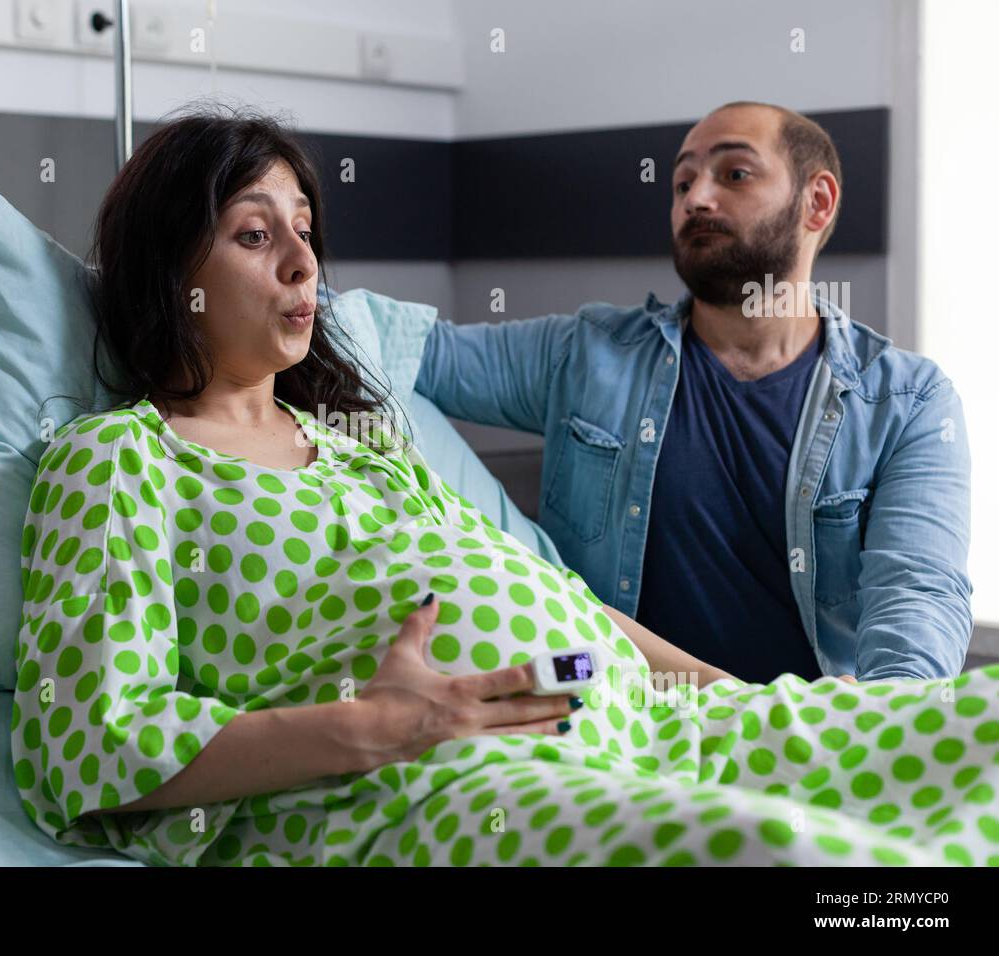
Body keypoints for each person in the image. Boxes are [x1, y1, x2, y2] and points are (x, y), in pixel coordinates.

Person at [10, 105, 998, 867]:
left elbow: (575, 608)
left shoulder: (359, 443)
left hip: (650, 724)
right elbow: (87, 740)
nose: (305, 260)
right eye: (255, 234)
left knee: (974, 724)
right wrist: (369, 728)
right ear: (168, 265)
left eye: (306, 229)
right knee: (807, 861)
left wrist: (757, 706)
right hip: (431, 781)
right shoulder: (118, 461)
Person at [414, 101, 972, 685]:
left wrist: (882, 724)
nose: (695, 199)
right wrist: (304, 273)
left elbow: (918, 596)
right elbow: (393, 344)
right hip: (618, 721)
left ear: (818, 201)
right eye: (682, 182)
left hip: (807, 739)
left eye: (734, 174)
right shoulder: (587, 354)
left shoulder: (908, 402)